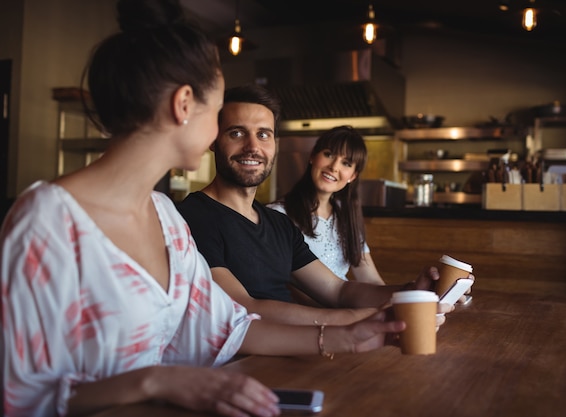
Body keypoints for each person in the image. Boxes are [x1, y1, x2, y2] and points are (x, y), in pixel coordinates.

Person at [0, 2, 407, 416]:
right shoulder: (47, 221)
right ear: (183, 105)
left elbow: (230, 326)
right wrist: (154, 380)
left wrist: (352, 335)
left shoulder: (166, 217)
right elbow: (18, 394)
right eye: (217, 116)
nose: (218, 133)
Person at [177, 84, 456, 327]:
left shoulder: (278, 225)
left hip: (295, 354)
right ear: (213, 140)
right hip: (234, 368)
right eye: (237, 133)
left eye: (264, 134)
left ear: (275, 144)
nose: (253, 146)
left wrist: (413, 292)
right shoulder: (192, 217)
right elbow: (243, 307)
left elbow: (338, 291)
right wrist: (358, 320)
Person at [267, 125, 385, 285]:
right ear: (313, 156)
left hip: (343, 305)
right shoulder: (278, 214)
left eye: (346, 163)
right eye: (329, 154)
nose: (334, 167)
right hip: (306, 308)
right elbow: (283, 285)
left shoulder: (346, 216)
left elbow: (370, 279)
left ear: (353, 176)